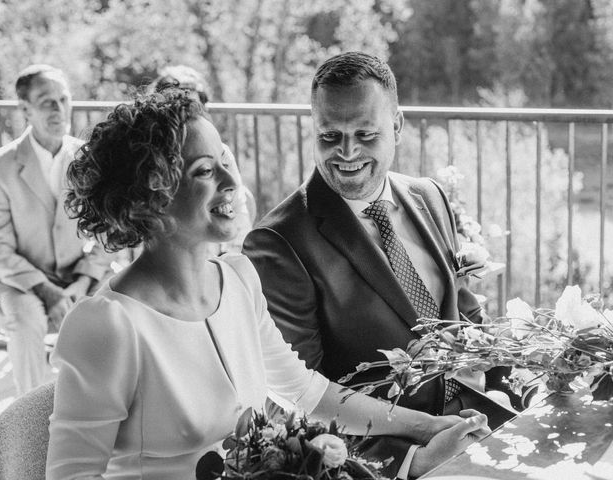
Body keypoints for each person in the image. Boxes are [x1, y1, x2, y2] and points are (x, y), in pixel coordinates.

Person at [45, 88, 490, 480]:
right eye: (204, 171)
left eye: (226, 160)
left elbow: (308, 393)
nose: (231, 182)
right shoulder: (107, 325)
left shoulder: (238, 279)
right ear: (150, 197)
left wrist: (428, 428)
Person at [242, 51, 517, 479]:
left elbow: (465, 312)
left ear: (397, 126)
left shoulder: (429, 196)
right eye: (329, 135)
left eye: (366, 134)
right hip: (387, 459)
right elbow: (303, 396)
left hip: (478, 420)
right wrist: (412, 461)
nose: (347, 152)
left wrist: (517, 383)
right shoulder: (278, 243)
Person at [0, 64, 112, 396]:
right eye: (46, 101)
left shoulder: (90, 159)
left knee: (126, 299)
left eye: (64, 99)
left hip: (82, 275)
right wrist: (46, 291)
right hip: (23, 283)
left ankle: (109, 409)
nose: (58, 109)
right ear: (25, 109)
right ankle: (30, 422)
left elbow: (109, 232)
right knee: (25, 321)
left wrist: (83, 280)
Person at [151, 65, 256, 255]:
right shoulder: (154, 161)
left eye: (196, 109)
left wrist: (235, 260)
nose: (191, 118)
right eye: (179, 112)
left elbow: (240, 212)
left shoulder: (222, 152)